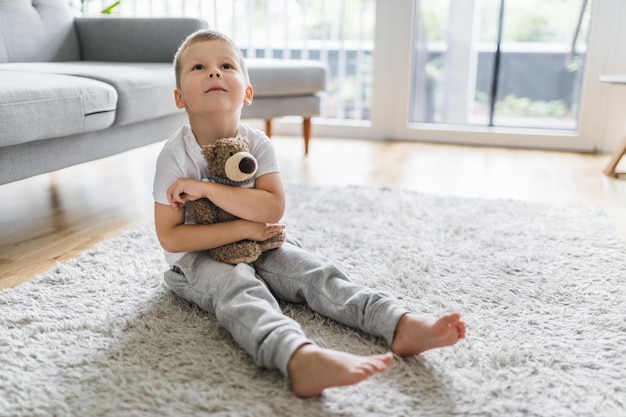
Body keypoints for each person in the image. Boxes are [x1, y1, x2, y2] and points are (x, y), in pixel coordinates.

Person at [152, 29, 466, 398]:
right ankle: (298, 358)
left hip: (260, 241)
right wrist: (244, 229)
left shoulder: (258, 144)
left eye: (226, 66)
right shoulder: (175, 156)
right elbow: (171, 237)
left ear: (248, 93)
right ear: (179, 97)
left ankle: (398, 323)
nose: (215, 73)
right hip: (193, 262)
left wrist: (205, 190)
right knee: (239, 289)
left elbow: (272, 208)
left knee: (314, 271)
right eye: (199, 67)